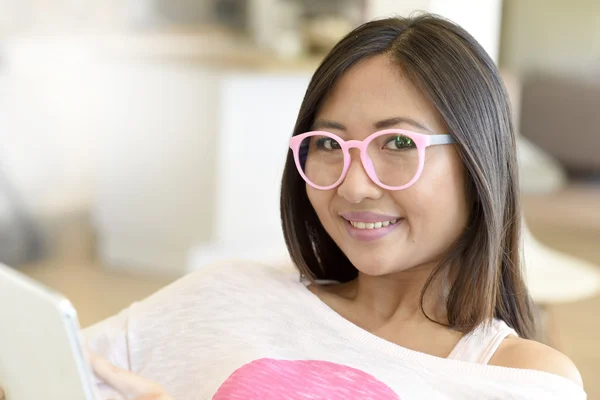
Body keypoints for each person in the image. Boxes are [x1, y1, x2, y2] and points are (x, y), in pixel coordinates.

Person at [5, 14, 587, 400]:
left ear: (477, 160)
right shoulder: (227, 292)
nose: (354, 186)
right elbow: (33, 375)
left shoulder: (522, 382)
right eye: (329, 145)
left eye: (399, 144)